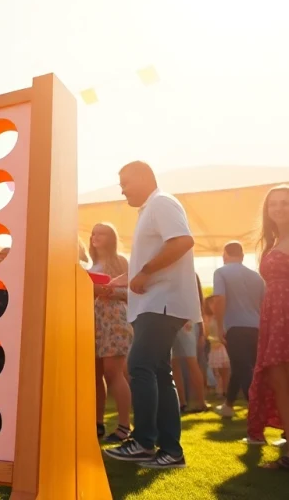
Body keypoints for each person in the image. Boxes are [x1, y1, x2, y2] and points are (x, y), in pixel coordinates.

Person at [103, 161, 200, 469]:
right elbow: (148, 258)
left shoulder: (162, 202)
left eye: (125, 182)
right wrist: (119, 281)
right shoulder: (150, 209)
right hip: (153, 304)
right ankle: (170, 451)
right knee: (158, 372)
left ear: (145, 178)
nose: (121, 189)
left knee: (139, 365)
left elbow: (183, 241)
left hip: (163, 303)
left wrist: (145, 272)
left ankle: (144, 442)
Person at [246, 185, 289, 469]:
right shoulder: (273, 243)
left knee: (280, 373)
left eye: (285, 203)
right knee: (277, 375)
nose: (278, 208)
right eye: (274, 204)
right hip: (274, 313)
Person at [88, 222, 133, 442]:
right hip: (92, 323)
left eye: (101, 233)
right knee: (95, 375)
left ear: (112, 237)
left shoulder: (122, 262)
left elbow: (134, 292)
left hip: (114, 320)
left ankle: (124, 426)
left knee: (113, 372)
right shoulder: (90, 265)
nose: (95, 237)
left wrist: (107, 291)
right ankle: (97, 423)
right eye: (93, 233)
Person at [211, 241, 265, 419]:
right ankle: (228, 405)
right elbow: (263, 304)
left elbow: (219, 299)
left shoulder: (221, 272)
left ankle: (257, 413)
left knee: (243, 369)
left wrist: (219, 327)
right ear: (242, 256)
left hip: (234, 327)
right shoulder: (256, 276)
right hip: (256, 327)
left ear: (224, 254)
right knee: (241, 366)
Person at [171, 275, 208, 413]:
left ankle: (199, 402)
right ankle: (182, 402)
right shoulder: (190, 274)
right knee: (176, 363)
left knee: (190, 362)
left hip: (185, 321)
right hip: (180, 319)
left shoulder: (187, 275)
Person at [203, 295, 230, 398]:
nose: (212, 305)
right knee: (216, 371)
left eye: (214, 302)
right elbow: (207, 333)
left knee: (225, 370)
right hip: (214, 347)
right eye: (210, 303)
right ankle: (220, 390)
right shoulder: (208, 318)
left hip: (222, 346)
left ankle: (226, 390)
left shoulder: (223, 317)